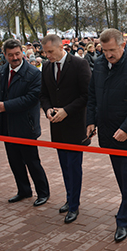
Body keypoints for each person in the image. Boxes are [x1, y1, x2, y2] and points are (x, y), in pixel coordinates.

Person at [86, 28, 127, 242]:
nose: (107, 55)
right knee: (120, 173)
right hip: (107, 131)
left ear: (123, 45)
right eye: (104, 50)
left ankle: (123, 220)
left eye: (112, 50)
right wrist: (90, 120)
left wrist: (126, 128)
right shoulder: (100, 64)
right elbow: (93, 95)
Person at [0, 39, 50, 206]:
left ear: (22, 52)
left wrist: (5, 106)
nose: (15, 58)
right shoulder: (0, 72)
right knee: (14, 161)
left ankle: (43, 192)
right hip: (7, 125)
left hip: (25, 125)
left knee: (32, 161)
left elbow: (31, 98)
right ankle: (23, 190)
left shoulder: (33, 73)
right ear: (5, 55)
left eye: (17, 54)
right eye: (10, 55)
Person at [40, 34, 91, 224]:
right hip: (57, 126)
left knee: (74, 167)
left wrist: (66, 111)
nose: (48, 56)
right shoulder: (46, 67)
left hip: (76, 126)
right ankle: (70, 199)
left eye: (50, 52)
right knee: (64, 166)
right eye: (45, 53)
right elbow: (43, 94)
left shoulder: (79, 64)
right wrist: (47, 110)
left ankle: (74, 205)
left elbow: (87, 95)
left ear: (62, 47)